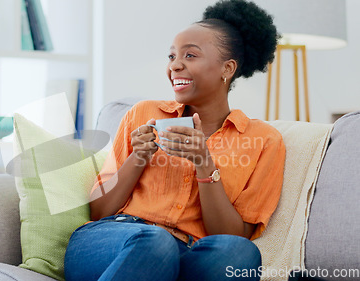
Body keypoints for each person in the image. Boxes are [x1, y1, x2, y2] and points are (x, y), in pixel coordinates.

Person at [64, 0, 285, 280]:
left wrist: (205, 165)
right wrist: (138, 157)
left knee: (241, 254)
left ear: (227, 69)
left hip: (190, 253)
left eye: (190, 56)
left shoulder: (263, 140)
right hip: (113, 239)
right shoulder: (143, 114)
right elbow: (98, 211)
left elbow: (232, 237)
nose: (175, 66)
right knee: (155, 242)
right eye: (171, 57)